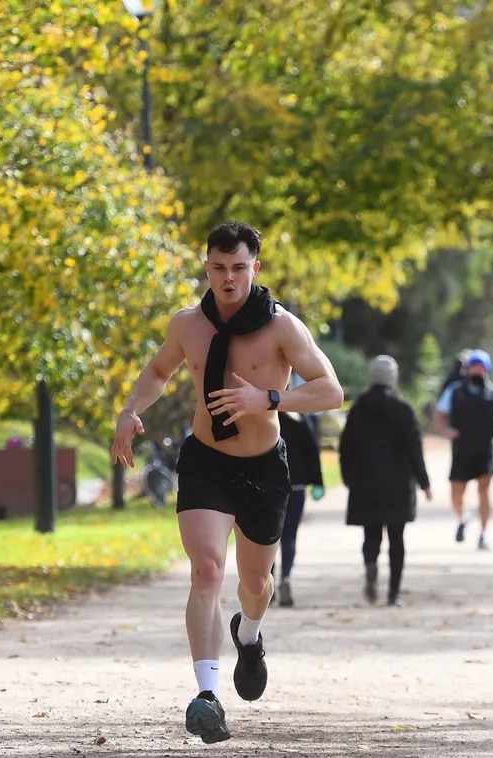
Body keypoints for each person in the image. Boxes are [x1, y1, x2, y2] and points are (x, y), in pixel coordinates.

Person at [110, 220, 344, 744]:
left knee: (255, 584)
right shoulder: (188, 324)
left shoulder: (283, 327)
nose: (228, 278)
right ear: (207, 268)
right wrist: (129, 410)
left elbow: (331, 391)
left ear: (254, 268)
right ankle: (207, 696)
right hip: (206, 461)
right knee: (207, 570)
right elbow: (157, 371)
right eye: (218, 268)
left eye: (238, 267)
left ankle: (250, 634)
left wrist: (270, 399)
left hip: (264, 466)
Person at [339, 355, 433, 607]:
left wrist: (347, 476)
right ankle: (393, 593)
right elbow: (414, 448)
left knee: (371, 535)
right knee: (396, 538)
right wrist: (424, 482)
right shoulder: (402, 409)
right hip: (397, 483)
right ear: (393, 377)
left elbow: (346, 445)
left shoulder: (359, 408)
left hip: (365, 481)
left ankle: (371, 566)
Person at [433, 349, 493, 549]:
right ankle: (462, 519)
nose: (477, 372)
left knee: (484, 490)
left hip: (485, 449)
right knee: (456, 492)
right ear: (467, 369)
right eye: (474, 368)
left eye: (481, 368)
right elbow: (439, 415)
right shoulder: (454, 391)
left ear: (487, 370)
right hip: (461, 449)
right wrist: (445, 431)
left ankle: (483, 533)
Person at [273, 410, 325, 608]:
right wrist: (318, 482)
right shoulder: (299, 419)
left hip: (268, 484)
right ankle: (285, 578)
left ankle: (266, 583)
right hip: (297, 483)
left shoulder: (259, 415)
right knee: (289, 535)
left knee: (266, 537)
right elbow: (312, 450)